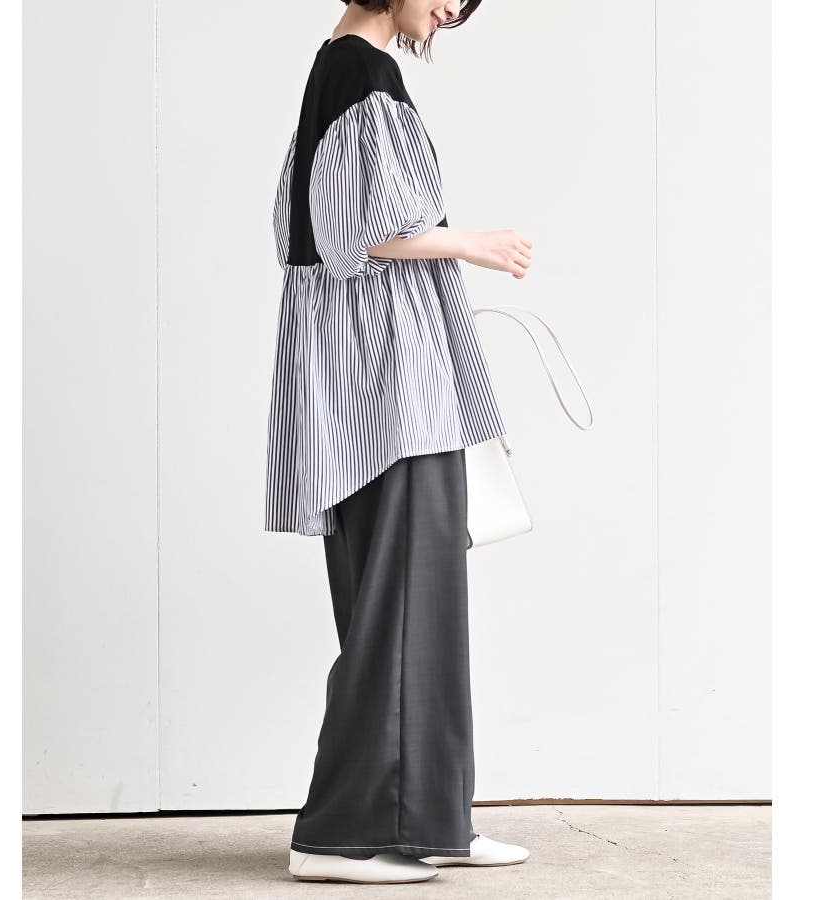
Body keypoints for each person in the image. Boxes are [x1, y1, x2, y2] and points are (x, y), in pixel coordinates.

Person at [264, 0, 533, 885]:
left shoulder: (347, 69)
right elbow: (359, 234)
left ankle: (432, 820)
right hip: (384, 386)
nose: (453, 8)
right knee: (398, 608)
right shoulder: (357, 74)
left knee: (418, 603)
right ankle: (336, 837)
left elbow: (311, 231)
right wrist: (477, 244)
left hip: (383, 380)